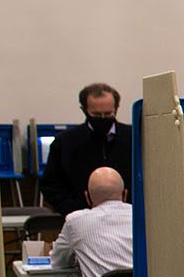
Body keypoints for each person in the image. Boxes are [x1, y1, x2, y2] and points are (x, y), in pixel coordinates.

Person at [41, 82, 134, 216]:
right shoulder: (65, 142)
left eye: (108, 114)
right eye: (96, 115)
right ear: (84, 110)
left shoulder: (133, 138)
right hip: (81, 216)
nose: (103, 118)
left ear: (116, 108)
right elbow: (51, 185)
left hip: (128, 216)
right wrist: (72, 209)